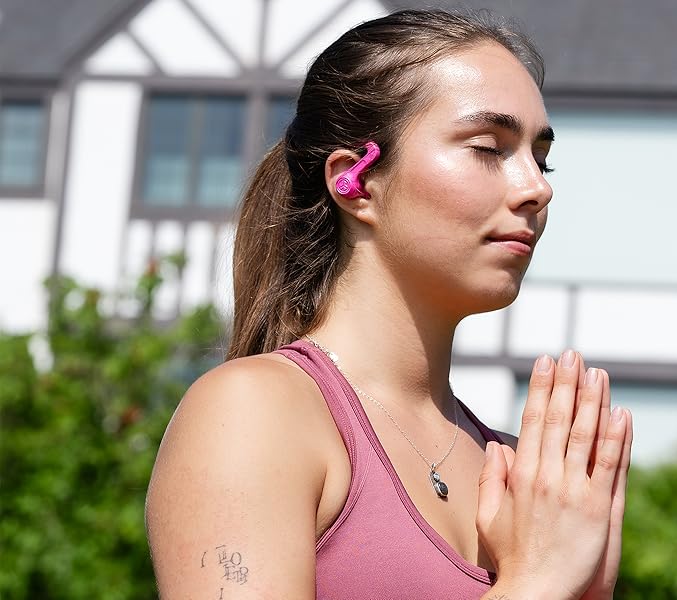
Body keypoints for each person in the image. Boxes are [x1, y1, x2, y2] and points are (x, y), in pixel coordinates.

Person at [145, 8, 634, 599]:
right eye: (487, 147)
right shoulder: (253, 412)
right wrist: (537, 581)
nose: (538, 187)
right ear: (357, 181)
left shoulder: (521, 478)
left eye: (541, 156)